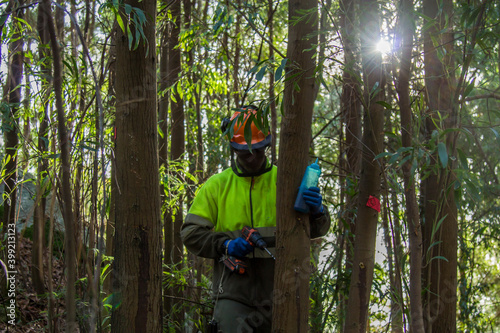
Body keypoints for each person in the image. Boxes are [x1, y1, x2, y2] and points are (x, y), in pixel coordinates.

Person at [180, 105, 330, 333]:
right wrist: (225, 245)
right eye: (245, 151)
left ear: (267, 145)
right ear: (233, 148)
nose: (252, 157)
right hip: (233, 291)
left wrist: (318, 210)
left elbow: (318, 229)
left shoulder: (286, 181)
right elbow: (190, 233)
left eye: (258, 150)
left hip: (281, 292)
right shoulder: (216, 186)